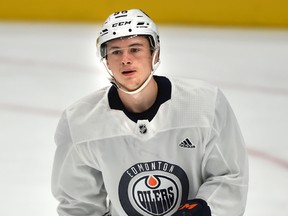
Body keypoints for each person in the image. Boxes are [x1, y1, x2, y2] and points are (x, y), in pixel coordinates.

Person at [51, 9, 249, 216]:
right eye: (116, 51)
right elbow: (77, 204)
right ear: (106, 60)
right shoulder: (80, 121)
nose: (125, 59)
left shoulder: (204, 103)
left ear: (156, 53)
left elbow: (230, 175)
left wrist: (206, 208)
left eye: (135, 49)